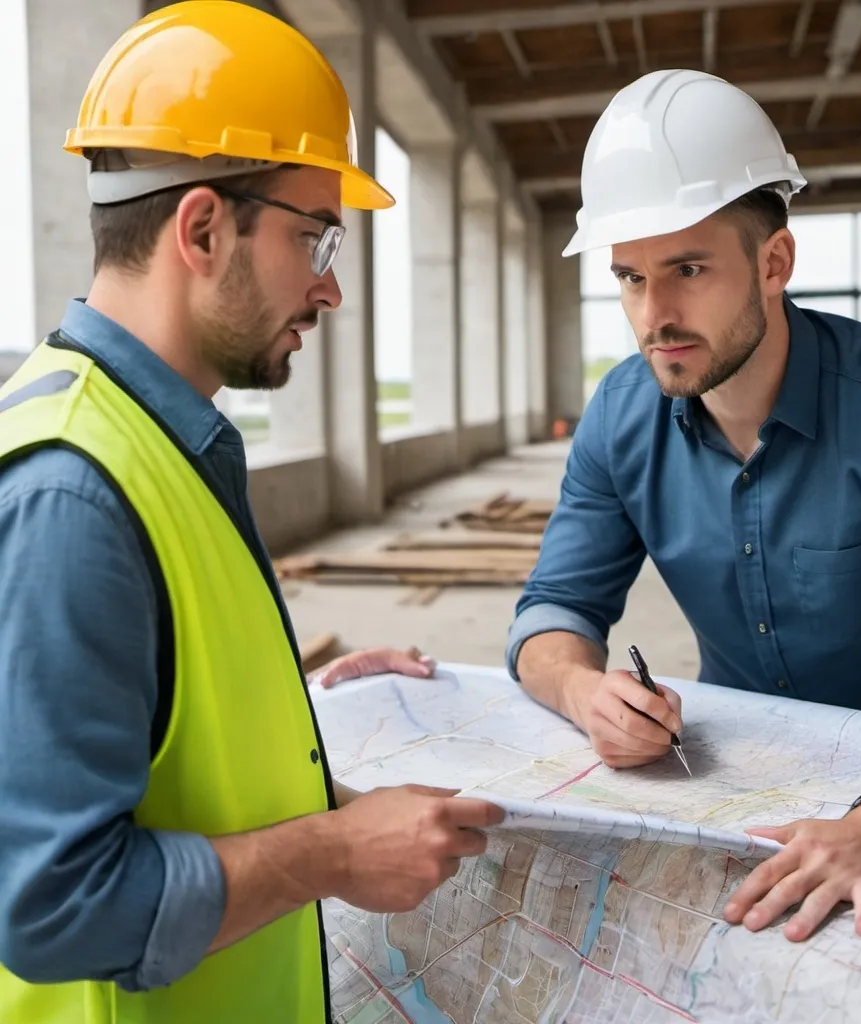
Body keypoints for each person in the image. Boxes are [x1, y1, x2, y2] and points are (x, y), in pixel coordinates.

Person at [0, 4, 502, 1021]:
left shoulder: (162, 442)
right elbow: (49, 907)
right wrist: (331, 852)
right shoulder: (71, 492)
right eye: (318, 239)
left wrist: (302, 728)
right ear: (201, 227)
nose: (331, 291)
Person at [506, 70, 861, 944]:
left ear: (773, 262)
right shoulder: (619, 417)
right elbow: (549, 616)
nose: (654, 316)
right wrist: (585, 691)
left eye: (689, 269)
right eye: (629, 278)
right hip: (741, 772)